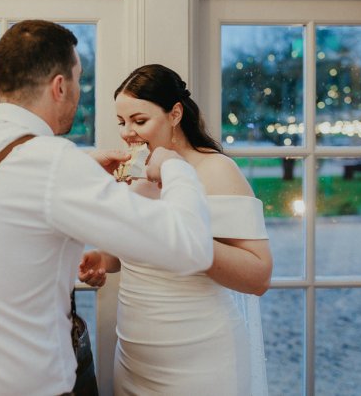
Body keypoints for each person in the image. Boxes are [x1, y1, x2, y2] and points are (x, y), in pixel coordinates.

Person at [0, 22, 214, 396]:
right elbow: (192, 246)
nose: (78, 91)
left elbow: (1, 208)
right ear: (59, 86)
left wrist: (83, 170)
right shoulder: (54, 163)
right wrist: (174, 167)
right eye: (78, 79)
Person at [79, 64, 273, 395]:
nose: (128, 132)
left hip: (201, 359)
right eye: (122, 122)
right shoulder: (134, 175)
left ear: (175, 114)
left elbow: (258, 277)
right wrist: (100, 259)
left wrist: (186, 238)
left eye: (140, 121)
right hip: (134, 358)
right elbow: (126, 255)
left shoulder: (216, 171)